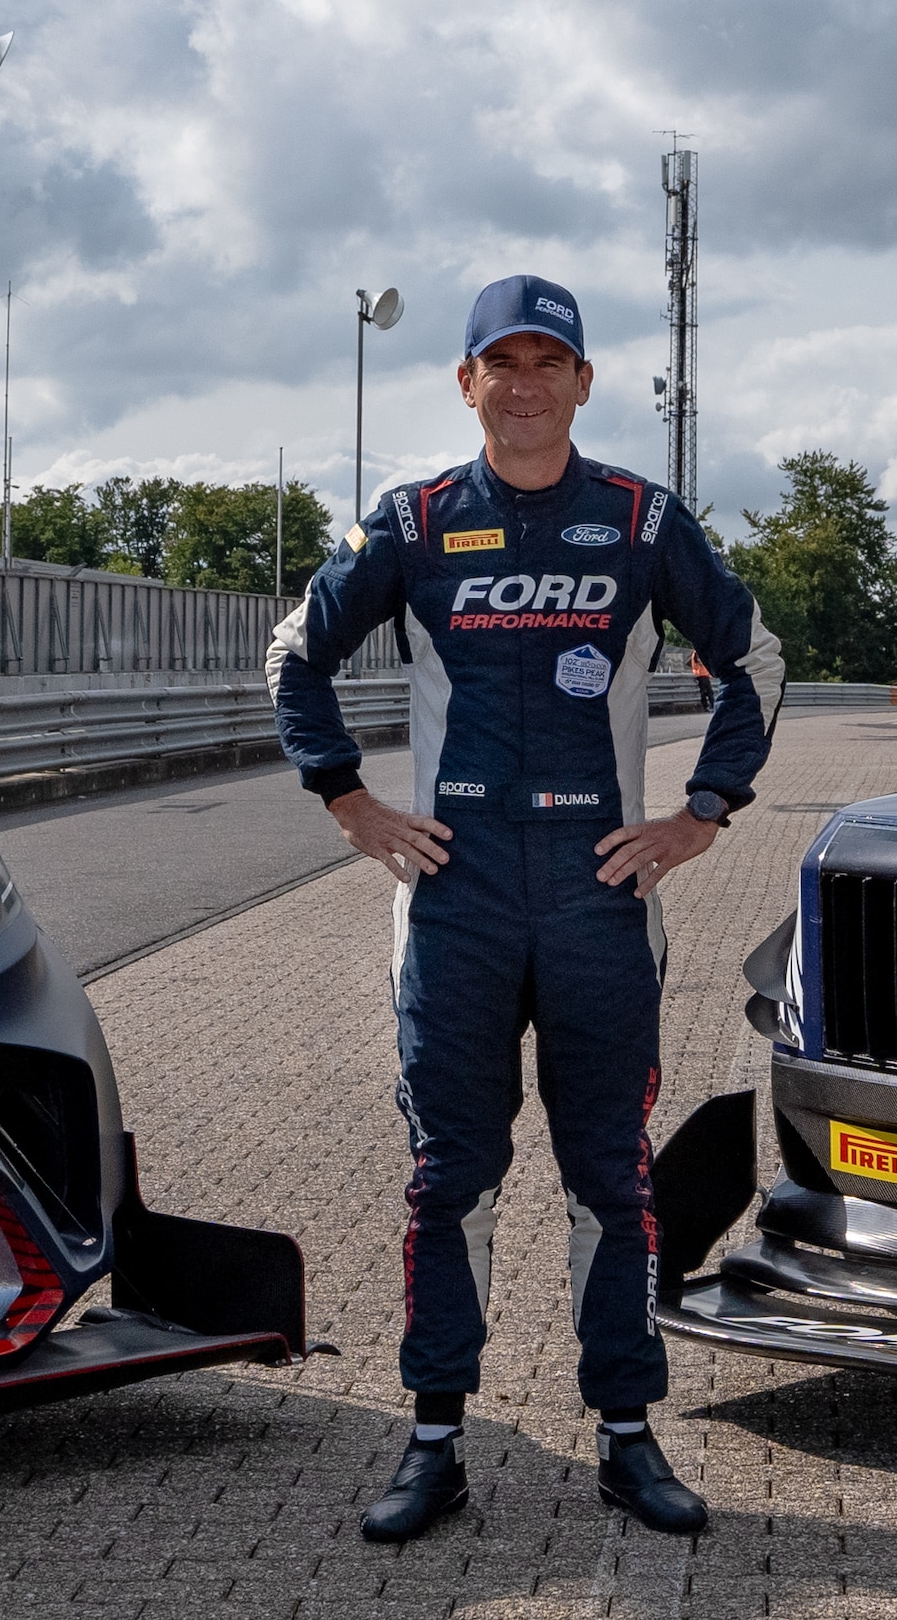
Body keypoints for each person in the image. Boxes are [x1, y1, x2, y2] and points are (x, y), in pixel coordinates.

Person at [266, 273, 787, 1542]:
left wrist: (697, 818)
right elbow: (295, 657)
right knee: (452, 1174)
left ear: (582, 381)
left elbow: (755, 665)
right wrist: (352, 810)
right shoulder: (414, 519)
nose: (524, 382)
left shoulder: (641, 517)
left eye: (547, 360)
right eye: (499, 362)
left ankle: (625, 1432)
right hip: (454, 897)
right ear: (465, 384)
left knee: (610, 1178)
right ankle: (433, 1439)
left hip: (602, 894)